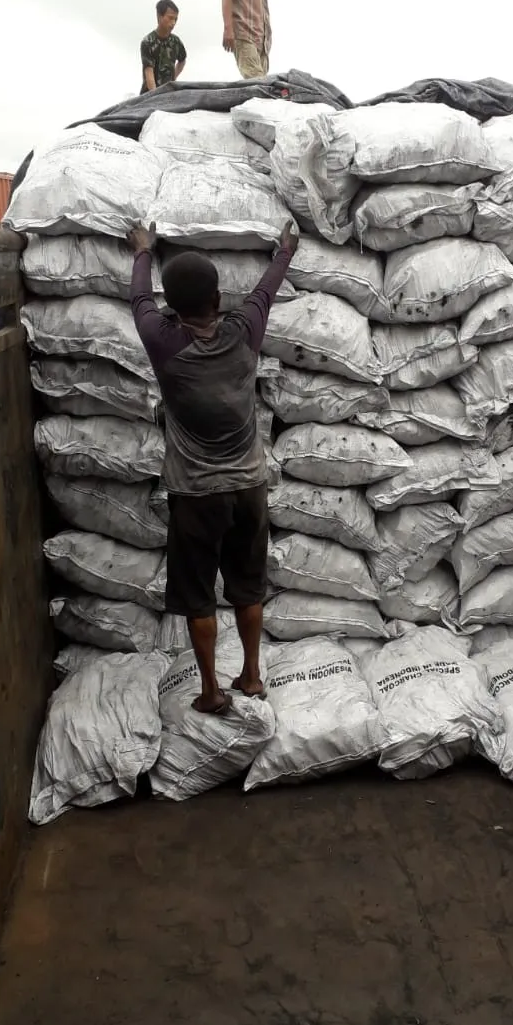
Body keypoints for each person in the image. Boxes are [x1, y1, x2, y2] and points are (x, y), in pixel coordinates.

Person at [125, 220, 298, 714]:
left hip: (196, 495)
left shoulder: (163, 341)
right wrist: (283, 251)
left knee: (199, 595)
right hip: (249, 486)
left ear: (173, 307)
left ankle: (210, 691)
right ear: (219, 299)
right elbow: (266, 290)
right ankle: (251, 675)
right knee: (247, 585)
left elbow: (139, 301)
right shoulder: (245, 332)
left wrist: (143, 251)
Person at [140, 0, 187, 94]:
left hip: (169, 94)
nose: (173, 23)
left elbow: (182, 60)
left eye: (175, 19)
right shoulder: (148, 42)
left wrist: (173, 78)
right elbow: (149, 72)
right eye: (170, 18)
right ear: (159, 16)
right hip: (149, 96)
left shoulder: (176, 41)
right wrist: (155, 95)